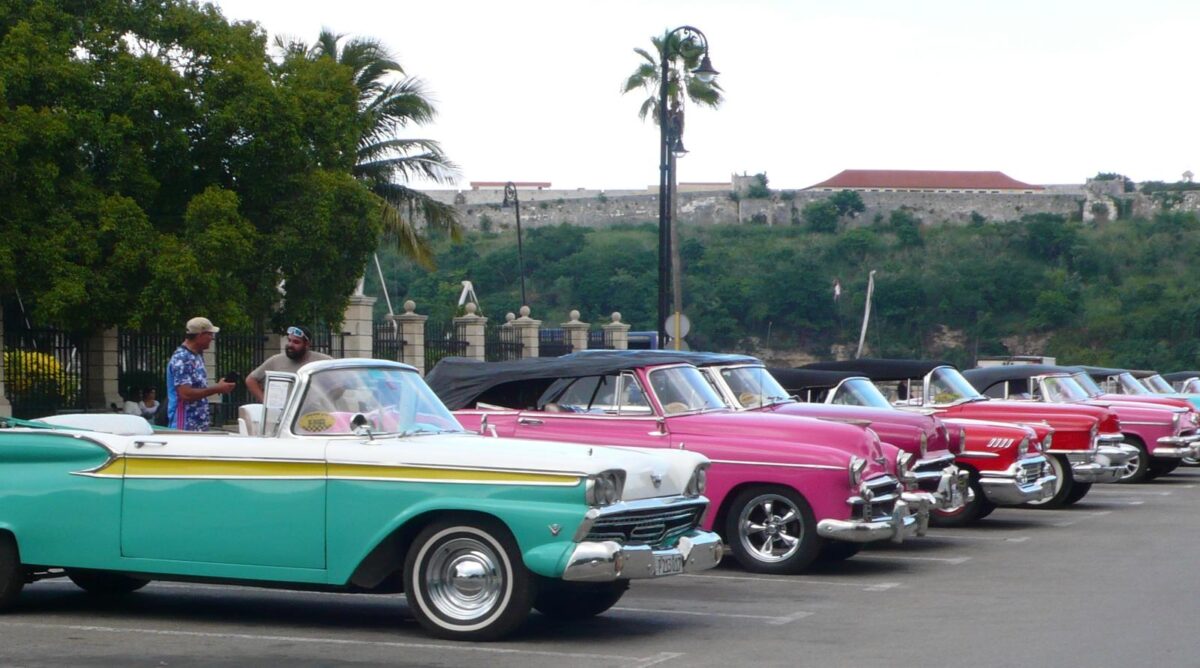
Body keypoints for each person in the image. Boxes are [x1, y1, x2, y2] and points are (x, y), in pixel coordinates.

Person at [166, 317, 234, 431]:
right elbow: (185, 394)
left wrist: (218, 387)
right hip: (185, 423)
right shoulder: (182, 358)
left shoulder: (196, 356)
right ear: (200, 335)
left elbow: (197, 388)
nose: (212, 338)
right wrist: (217, 388)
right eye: (209, 334)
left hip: (198, 423)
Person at [246, 325, 332, 402]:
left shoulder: (323, 361)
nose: (290, 345)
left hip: (314, 412)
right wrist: (265, 401)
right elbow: (251, 380)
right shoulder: (275, 361)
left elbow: (337, 382)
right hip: (284, 413)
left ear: (307, 344)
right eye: (289, 340)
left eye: (296, 342)